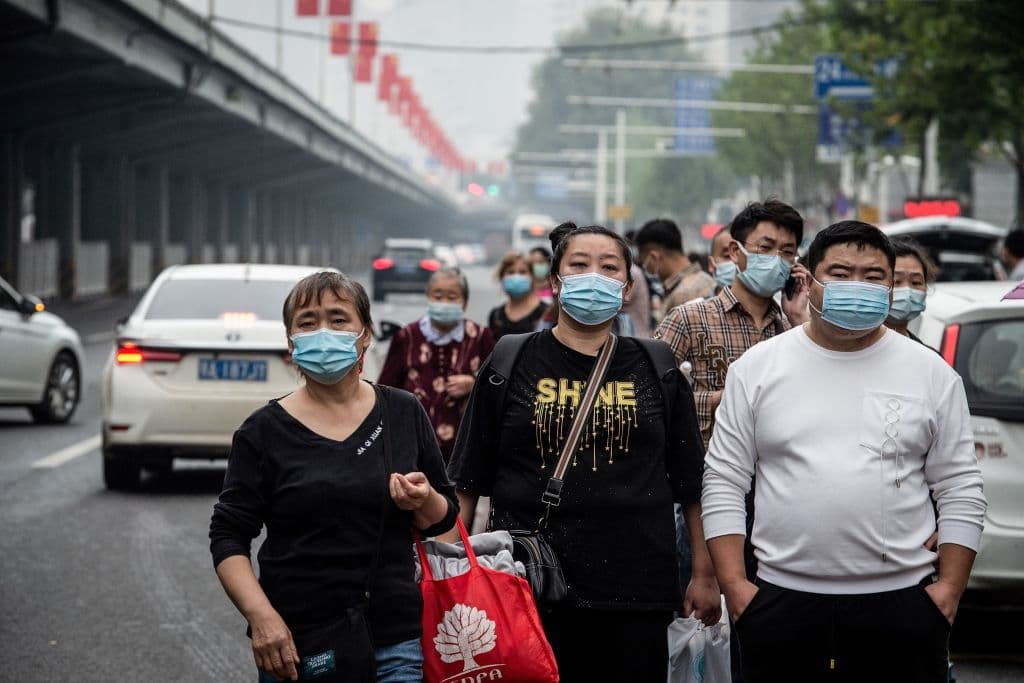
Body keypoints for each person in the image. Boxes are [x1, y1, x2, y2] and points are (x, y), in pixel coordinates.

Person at [702, 221, 987, 683]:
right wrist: (736, 588)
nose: (858, 286)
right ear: (808, 279)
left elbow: (960, 487)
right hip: (779, 602)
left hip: (904, 605)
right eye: (839, 273)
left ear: (891, 286)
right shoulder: (758, 368)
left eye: (874, 277)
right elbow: (724, 480)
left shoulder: (931, 373)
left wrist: (949, 590)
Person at [446, 222, 721, 682]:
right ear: (555, 281)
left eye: (609, 267)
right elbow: (468, 478)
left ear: (627, 286)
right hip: (525, 585)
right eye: (579, 265)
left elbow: (692, 482)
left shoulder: (657, 365)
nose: (594, 276)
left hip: (638, 589)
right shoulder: (510, 359)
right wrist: (451, 576)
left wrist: (705, 575)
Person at [209, 270, 459, 683]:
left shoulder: (402, 410)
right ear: (291, 342)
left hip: (395, 638)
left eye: (338, 318)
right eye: (308, 322)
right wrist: (263, 618)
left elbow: (444, 517)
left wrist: (423, 498)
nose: (323, 330)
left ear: (365, 336)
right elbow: (228, 536)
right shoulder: (262, 431)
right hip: (299, 643)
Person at [378, 267, 495, 463]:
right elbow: (386, 390)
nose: (444, 303)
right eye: (438, 296)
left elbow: (497, 385)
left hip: (463, 449)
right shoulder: (407, 336)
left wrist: (473, 383)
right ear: (428, 298)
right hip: (412, 444)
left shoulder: (481, 337)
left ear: (464, 302)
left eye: (452, 297)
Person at [635, 218, 716, 317]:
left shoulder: (684, 294)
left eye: (644, 263)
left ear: (654, 257)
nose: (645, 269)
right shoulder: (703, 279)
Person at [487, 251, 549, 340]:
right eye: (511, 272)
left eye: (522, 272)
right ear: (502, 277)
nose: (516, 277)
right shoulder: (496, 316)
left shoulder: (546, 313)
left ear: (532, 277)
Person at [885, 236, 935, 345]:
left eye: (916, 282)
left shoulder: (929, 357)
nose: (907, 291)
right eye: (896, 281)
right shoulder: (851, 349)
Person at [708, 224, 737, 291]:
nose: (736, 260)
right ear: (711, 264)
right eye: (727, 256)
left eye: (740, 254)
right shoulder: (700, 301)